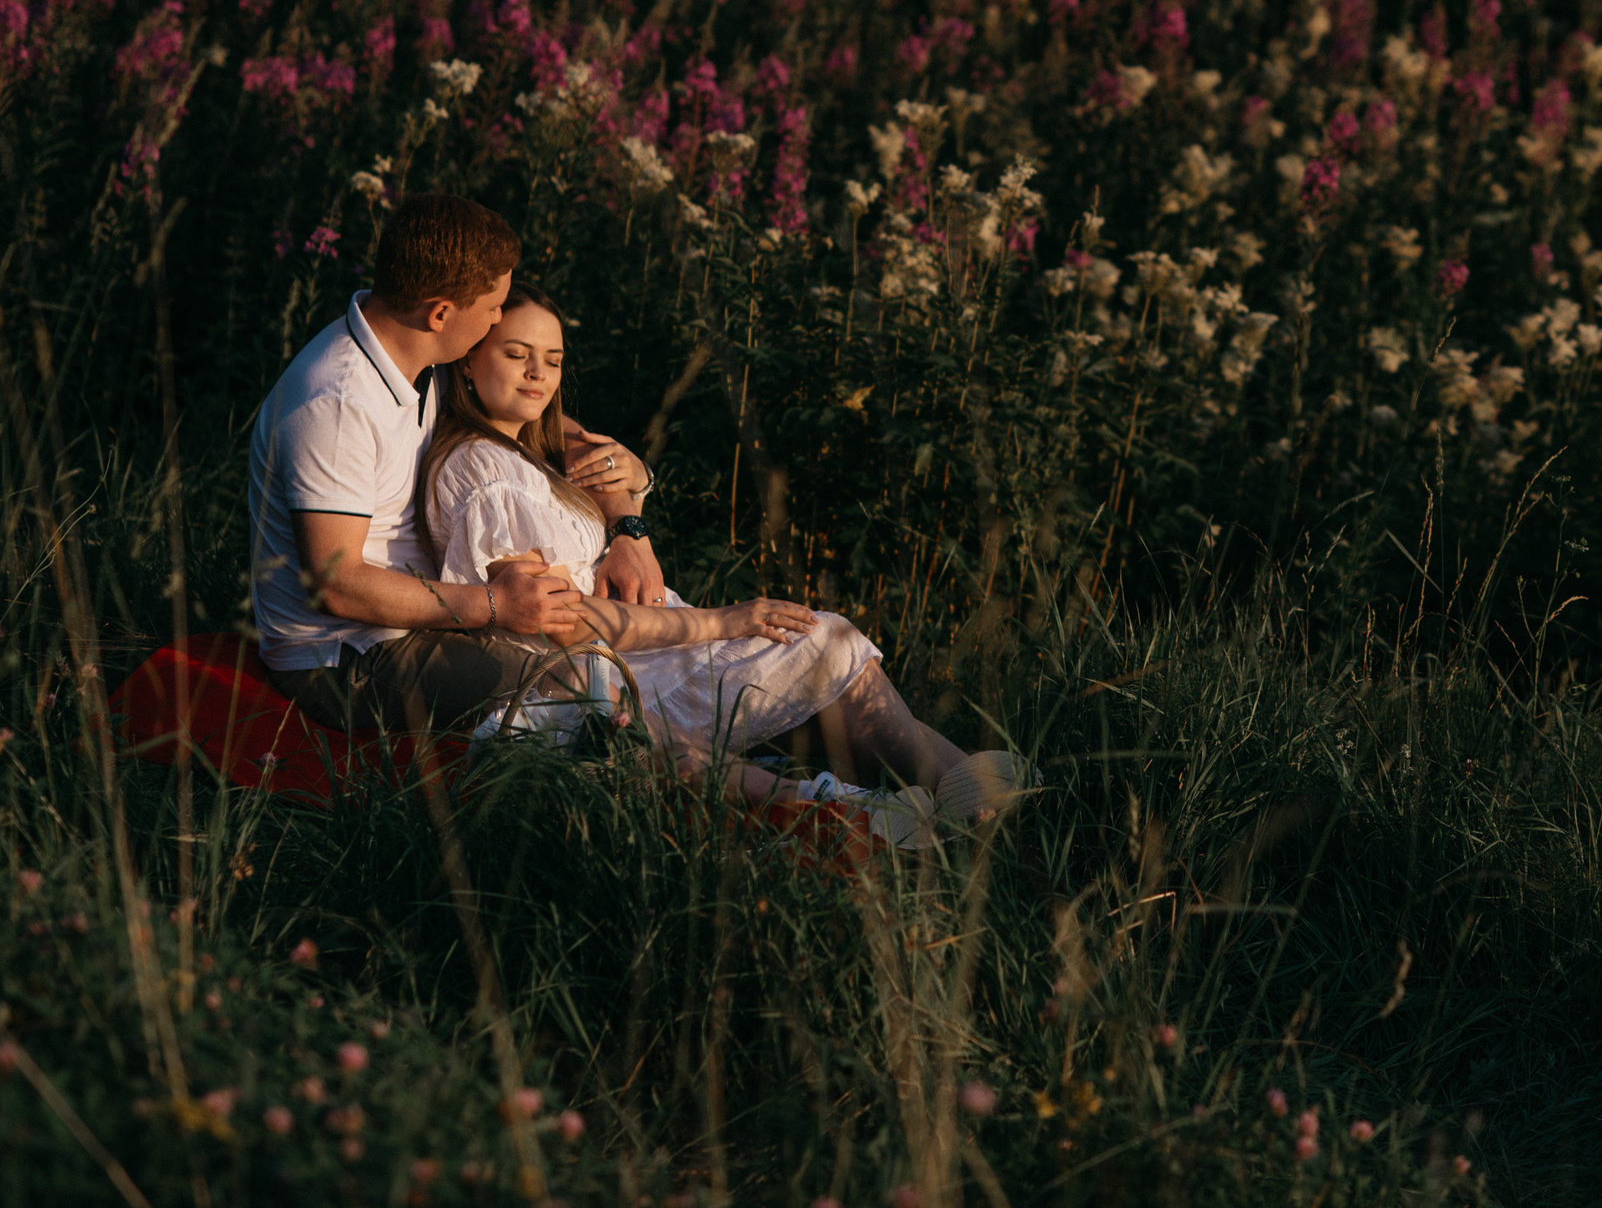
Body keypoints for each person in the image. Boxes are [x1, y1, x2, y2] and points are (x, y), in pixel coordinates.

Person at [416, 282, 1034, 834]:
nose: (538, 375)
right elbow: (567, 624)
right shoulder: (488, 472)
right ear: (468, 361)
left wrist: (631, 514)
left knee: (820, 645)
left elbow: (603, 459)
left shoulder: (525, 445)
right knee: (822, 641)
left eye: (552, 361)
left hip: (637, 643)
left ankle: (960, 787)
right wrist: (724, 620)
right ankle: (950, 796)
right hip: (600, 670)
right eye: (516, 354)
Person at [249, 195, 663, 736]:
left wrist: (628, 523)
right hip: (347, 654)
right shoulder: (335, 403)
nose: (498, 318)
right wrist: (494, 604)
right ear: (441, 313)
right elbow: (337, 584)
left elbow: (554, 430)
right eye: (493, 307)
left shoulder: (421, 358)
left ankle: (748, 773)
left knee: (618, 671)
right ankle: (757, 793)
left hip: (431, 612)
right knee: (580, 691)